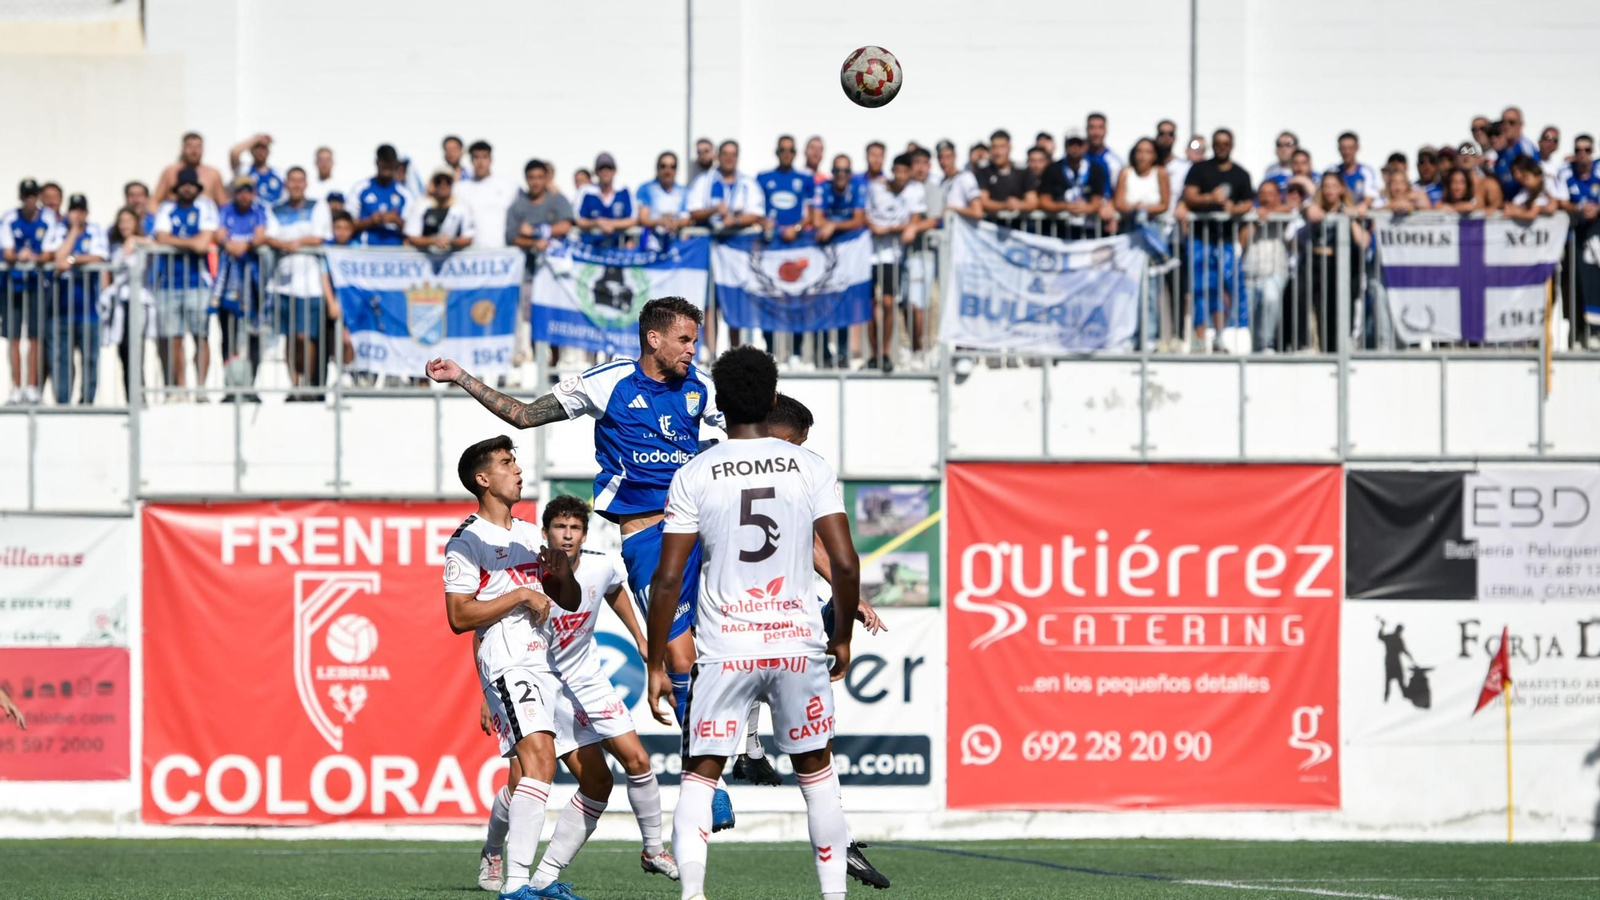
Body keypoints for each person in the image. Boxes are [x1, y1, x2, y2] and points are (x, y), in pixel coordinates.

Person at [424, 297, 738, 834]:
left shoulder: (702, 388)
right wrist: (462, 378)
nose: (693, 349)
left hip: (700, 525)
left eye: (696, 339)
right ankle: (707, 778)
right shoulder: (607, 383)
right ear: (653, 339)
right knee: (682, 659)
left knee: (739, 638)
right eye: (685, 339)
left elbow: (727, 453)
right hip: (647, 536)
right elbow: (523, 416)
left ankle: (744, 748)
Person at [645, 345, 860, 900]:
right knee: (817, 775)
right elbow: (844, 561)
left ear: (717, 399)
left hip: (724, 648)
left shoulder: (694, 472)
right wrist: (841, 637)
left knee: (699, 775)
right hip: (796, 642)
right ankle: (834, 896)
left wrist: (655, 662)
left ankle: (693, 895)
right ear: (771, 398)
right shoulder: (810, 466)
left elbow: (667, 580)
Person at [738, 392, 890, 890]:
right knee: (814, 758)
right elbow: (827, 549)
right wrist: (847, 601)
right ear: (782, 433)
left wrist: (849, 594)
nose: (802, 450)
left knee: (703, 762)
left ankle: (749, 750)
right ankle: (836, 856)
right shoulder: (802, 468)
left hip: (735, 616)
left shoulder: (717, 463)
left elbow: (812, 543)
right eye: (799, 441)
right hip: (787, 621)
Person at [442, 435, 584, 900]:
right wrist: (521, 594)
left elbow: (567, 599)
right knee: (540, 762)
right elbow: (460, 616)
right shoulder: (467, 540)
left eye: (516, 461)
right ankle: (519, 885)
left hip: (547, 665)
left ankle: (516, 865)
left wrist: (558, 574)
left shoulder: (529, 534)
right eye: (507, 463)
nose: (518, 469)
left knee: (543, 773)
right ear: (483, 479)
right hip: (507, 663)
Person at [1183, 128, 1255, 353]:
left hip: (1225, 240)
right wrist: (1210, 198)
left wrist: (1234, 208)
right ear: (1213, 145)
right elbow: (1190, 196)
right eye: (1218, 143)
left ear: (1232, 145)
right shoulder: (1200, 169)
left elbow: (1248, 202)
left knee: (1225, 288)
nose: (1222, 146)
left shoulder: (1241, 174)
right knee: (1200, 287)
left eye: (1226, 143)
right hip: (1200, 239)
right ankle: (1199, 337)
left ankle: (1220, 335)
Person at [152, 167, 220, 391]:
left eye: (192, 185)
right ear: (178, 188)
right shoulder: (166, 208)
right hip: (168, 283)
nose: (188, 188)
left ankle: (200, 387)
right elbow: (161, 237)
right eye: (184, 185)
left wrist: (177, 241)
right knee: (174, 338)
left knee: (201, 336)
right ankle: (180, 387)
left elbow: (204, 243)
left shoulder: (206, 206)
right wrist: (190, 243)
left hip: (197, 283)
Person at [864, 153, 931, 372]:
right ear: (892, 171)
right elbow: (864, 215)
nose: (901, 176)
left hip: (893, 256)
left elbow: (915, 222)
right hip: (870, 254)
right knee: (871, 306)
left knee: (889, 303)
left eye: (905, 172)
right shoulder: (876, 187)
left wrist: (888, 229)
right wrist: (875, 227)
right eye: (898, 171)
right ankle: (874, 354)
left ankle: (885, 352)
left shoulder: (915, 191)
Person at [40, 193, 108, 405]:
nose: (77, 215)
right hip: (60, 309)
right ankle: (62, 401)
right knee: (61, 360)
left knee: (89, 359)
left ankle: (87, 400)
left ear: (86, 212)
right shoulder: (58, 230)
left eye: (81, 211)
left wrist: (73, 259)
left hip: (88, 310)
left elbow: (99, 256)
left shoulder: (96, 230)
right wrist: (73, 233)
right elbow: (54, 257)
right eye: (73, 210)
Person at [269, 167, 332, 393]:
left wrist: (295, 242)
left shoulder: (318, 206)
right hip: (283, 283)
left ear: (306, 184)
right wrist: (287, 245)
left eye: (300, 181)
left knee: (305, 337)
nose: (296, 185)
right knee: (290, 337)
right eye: (292, 180)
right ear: (287, 183)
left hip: (310, 284)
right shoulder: (275, 209)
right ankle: (294, 385)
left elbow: (320, 237)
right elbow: (270, 236)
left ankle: (307, 384)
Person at [1295, 172, 1369, 353]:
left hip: (1339, 266)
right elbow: (1302, 208)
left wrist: (1349, 218)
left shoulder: (1349, 210)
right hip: (1316, 263)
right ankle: (1308, 345)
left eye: (1334, 186)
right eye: (1326, 186)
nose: (1329, 191)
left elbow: (1363, 241)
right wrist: (1306, 208)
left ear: (1342, 189)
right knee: (1311, 303)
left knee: (1335, 309)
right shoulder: (1314, 208)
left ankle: (1338, 349)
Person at [757, 135, 816, 361]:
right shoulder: (763, 178)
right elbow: (756, 208)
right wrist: (764, 223)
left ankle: (797, 351)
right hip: (771, 247)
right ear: (777, 151)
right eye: (782, 149)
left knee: (797, 296)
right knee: (769, 295)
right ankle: (770, 349)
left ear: (796, 153)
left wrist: (798, 227)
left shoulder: (805, 178)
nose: (786, 153)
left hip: (796, 246)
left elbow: (813, 213)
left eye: (791, 150)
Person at [214, 176, 273, 398]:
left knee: (253, 335)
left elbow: (259, 237)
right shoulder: (226, 210)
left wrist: (241, 244)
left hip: (253, 284)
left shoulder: (259, 210)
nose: (244, 195)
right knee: (228, 337)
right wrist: (231, 244)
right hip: (229, 285)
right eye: (240, 191)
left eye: (248, 190)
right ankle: (231, 385)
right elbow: (219, 234)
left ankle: (250, 385)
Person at [811, 155, 868, 369]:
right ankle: (824, 351)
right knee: (824, 301)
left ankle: (843, 352)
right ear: (832, 173)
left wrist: (833, 226)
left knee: (843, 301)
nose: (841, 175)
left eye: (845, 171)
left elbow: (859, 219)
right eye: (837, 171)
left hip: (847, 254)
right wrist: (839, 224)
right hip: (824, 254)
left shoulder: (857, 188)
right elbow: (816, 220)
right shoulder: (823, 188)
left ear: (850, 173)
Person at [2, 178, 53, 405]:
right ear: (21, 197)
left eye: (33, 196)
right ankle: (15, 386)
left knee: (35, 337)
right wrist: (21, 257)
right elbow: (9, 252)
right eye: (26, 196)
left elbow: (49, 253)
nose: (30, 200)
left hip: (36, 286)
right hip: (13, 285)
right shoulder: (10, 218)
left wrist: (32, 257)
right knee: (13, 337)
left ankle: (32, 386)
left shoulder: (48, 218)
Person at [104, 206, 154, 402]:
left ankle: (139, 395)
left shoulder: (141, 243)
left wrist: (135, 240)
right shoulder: (114, 246)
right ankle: (130, 397)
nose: (124, 225)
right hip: (120, 303)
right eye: (121, 221)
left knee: (136, 350)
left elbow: (155, 244)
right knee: (124, 351)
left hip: (137, 302)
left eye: (128, 221)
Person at [505, 159, 576, 270]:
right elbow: (512, 237)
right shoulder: (517, 206)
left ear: (546, 178)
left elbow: (565, 226)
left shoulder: (558, 199)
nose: (536, 182)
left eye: (540, 177)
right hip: (529, 267)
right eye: (532, 178)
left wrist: (535, 231)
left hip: (559, 267)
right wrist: (534, 243)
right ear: (526, 178)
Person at [687, 140, 762, 232]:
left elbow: (757, 214)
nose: (729, 158)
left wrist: (736, 220)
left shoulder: (749, 183)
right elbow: (693, 212)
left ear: (737, 158)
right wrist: (713, 211)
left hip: (739, 242)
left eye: (733, 155)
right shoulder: (703, 180)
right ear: (718, 157)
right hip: (710, 241)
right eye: (725, 154)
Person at [457, 141, 520, 250]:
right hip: (472, 252)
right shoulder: (460, 189)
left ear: (491, 159)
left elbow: (531, 201)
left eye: (484, 157)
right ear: (471, 160)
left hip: (502, 249)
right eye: (476, 157)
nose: (480, 162)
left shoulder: (508, 185)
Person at [350, 144, 417, 246]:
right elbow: (347, 224)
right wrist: (370, 221)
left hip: (395, 252)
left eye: (390, 162)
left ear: (395, 163)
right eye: (384, 162)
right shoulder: (360, 188)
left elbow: (414, 229)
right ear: (377, 162)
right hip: (365, 250)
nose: (387, 166)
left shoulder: (405, 194)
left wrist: (396, 221)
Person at [405, 169, 477, 252]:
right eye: (439, 181)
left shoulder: (462, 208)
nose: (443, 185)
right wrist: (433, 240)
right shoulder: (421, 207)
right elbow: (412, 236)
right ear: (434, 184)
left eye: (448, 182)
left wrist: (451, 241)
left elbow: (469, 237)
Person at [575, 153, 636, 249]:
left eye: (609, 168)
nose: (605, 172)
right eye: (601, 168)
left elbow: (633, 219)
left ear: (615, 171)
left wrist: (611, 224)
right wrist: (596, 223)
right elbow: (578, 220)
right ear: (596, 171)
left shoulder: (624, 191)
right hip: (591, 250)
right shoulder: (586, 192)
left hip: (618, 249)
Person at [976, 130, 1038, 225]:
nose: (998, 152)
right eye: (994, 147)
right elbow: (983, 201)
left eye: (1002, 147)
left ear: (1009, 148)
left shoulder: (1023, 170)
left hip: (1019, 229)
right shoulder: (983, 171)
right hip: (991, 229)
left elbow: (1033, 201)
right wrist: (1005, 206)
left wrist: (1020, 205)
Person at [153, 132, 228, 207]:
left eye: (198, 147)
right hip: (175, 216)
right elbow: (155, 200)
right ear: (183, 148)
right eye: (190, 146)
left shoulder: (213, 174)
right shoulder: (170, 172)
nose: (194, 151)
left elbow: (223, 204)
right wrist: (152, 217)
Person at [1113, 137, 1172, 230]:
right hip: (1129, 226)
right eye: (1139, 151)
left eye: (1148, 152)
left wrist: (1145, 209)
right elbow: (1118, 203)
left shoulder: (1161, 172)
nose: (1142, 156)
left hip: (1154, 225)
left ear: (1155, 155)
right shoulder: (1125, 172)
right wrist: (1134, 209)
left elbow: (1165, 204)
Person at [637, 151, 689, 250]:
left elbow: (687, 218)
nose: (668, 171)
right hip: (651, 247)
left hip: (675, 247)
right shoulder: (646, 189)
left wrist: (676, 223)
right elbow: (643, 218)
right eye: (663, 166)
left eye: (672, 166)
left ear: (676, 170)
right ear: (657, 168)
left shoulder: (684, 192)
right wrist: (661, 222)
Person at [1325, 132, 1379, 214]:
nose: (1347, 152)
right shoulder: (1332, 170)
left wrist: (1355, 210)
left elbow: (1369, 197)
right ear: (1339, 149)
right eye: (1343, 148)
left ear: (1357, 148)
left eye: (1350, 148)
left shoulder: (1366, 171)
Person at [229, 133, 284, 205]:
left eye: (263, 148)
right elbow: (234, 152)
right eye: (257, 148)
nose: (260, 152)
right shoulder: (244, 170)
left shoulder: (279, 173)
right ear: (251, 151)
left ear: (268, 151)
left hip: (272, 214)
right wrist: (256, 139)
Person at [1503, 155, 1556, 222]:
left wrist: (1513, 213)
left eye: (1526, 177)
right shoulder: (1525, 190)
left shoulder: (1545, 188)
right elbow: (1512, 205)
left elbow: (1550, 208)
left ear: (1538, 176)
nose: (1517, 176)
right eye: (1514, 172)